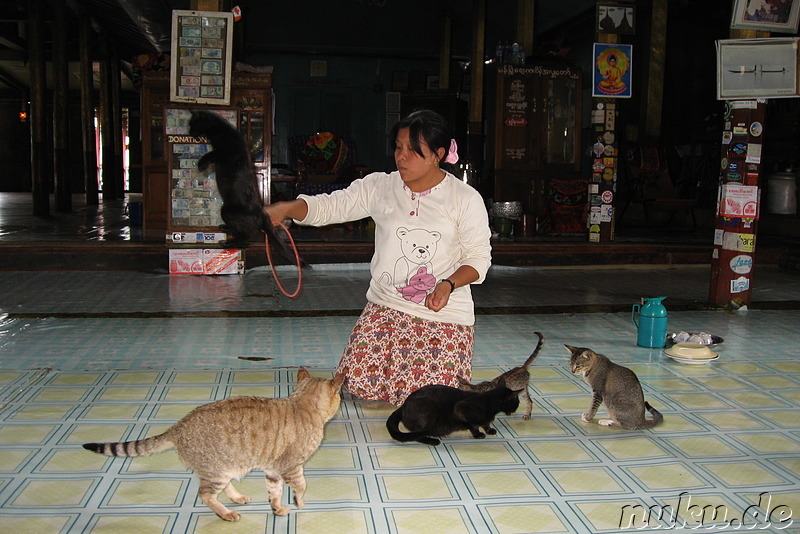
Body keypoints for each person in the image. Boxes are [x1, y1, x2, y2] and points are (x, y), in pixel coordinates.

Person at [264, 110, 492, 405]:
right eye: (398, 147)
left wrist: (448, 284)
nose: (402, 157)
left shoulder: (464, 198)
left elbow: (478, 258)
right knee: (358, 386)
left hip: (442, 316)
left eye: (413, 150)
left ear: (437, 154)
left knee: (427, 401)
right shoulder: (380, 187)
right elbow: (331, 207)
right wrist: (285, 208)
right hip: (385, 309)